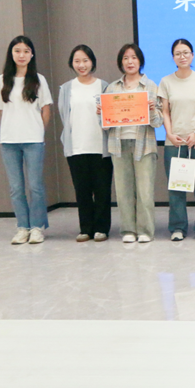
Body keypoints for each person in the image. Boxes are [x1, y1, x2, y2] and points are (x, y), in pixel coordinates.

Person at [104, 43, 163, 243]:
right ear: (121, 62)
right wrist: (102, 113)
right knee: (123, 192)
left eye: (134, 57)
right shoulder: (112, 88)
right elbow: (105, 125)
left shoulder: (151, 86)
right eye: (126, 58)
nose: (130, 62)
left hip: (144, 144)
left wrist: (152, 110)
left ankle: (145, 231)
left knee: (145, 192)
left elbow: (158, 122)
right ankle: (128, 230)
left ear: (140, 61)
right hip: (118, 145)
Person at [0, 36, 52, 245]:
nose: (22, 55)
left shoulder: (38, 79)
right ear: (11, 54)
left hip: (33, 140)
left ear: (32, 54)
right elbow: (1, 111)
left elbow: (46, 109)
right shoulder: (2, 80)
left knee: (35, 185)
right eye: (17, 51)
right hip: (9, 141)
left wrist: (38, 131)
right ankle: (22, 227)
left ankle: (37, 227)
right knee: (16, 188)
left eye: (26, 51)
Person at [159, 39, 195, 242]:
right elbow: (165, 111)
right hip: (175, 141)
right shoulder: (166, 82)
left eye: (186, 52)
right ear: (173, 57)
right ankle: (177, 227)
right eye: (178, 53)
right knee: (176, 187)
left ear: (192, 55)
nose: (182, 56)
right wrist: (170, 134)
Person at [58, 44, 113, 242]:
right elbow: (64, 116)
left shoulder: (104, 86)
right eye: (77, 61)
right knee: (82, 191)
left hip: (100, 147)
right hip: (76, 147)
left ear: (92, 62)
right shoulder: (66, 88)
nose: (81, 65)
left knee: (102, 190)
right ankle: (85, 229)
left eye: (85, 60)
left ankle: (101, 228)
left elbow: (111, 115)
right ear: (72, 63)